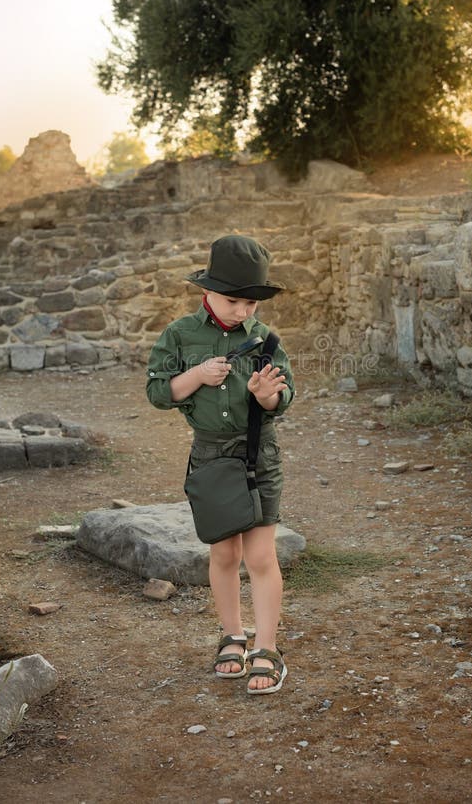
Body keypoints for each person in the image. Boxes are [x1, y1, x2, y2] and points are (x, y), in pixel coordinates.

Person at [146, 235, 295, 694]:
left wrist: (267, 395)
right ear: (206, 292)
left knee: (261, 554)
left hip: (258, 455)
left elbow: (283, 397)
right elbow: (157, 393)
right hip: (209, 455)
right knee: (224, 553)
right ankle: (233, 636)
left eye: (251, 302)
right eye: (234, 301)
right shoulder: (179, 335)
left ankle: (267, 648)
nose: (243, 311)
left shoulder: (266, 339)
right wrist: (196, 376)